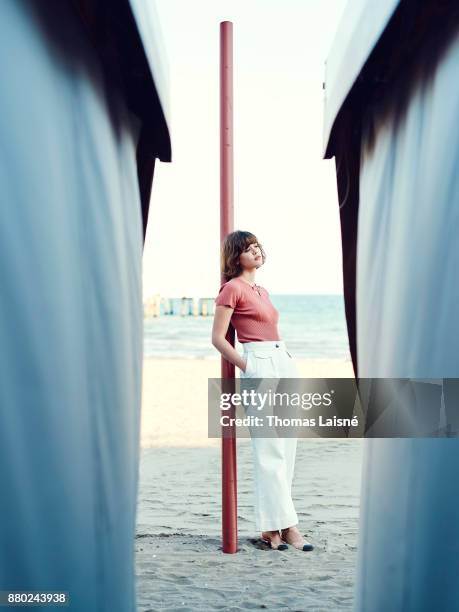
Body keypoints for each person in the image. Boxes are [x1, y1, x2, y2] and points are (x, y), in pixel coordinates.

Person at [211, 230, 314, 551]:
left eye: (257, 246)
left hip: (282, 359)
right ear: (235, 257)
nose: (255, 251)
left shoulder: (262, 290)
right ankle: (290, 527)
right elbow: (217, 338)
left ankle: (274, 527)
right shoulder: (231, 288)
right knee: (269, 448)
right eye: (247, 248)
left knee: (287, 446)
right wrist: (248, 367)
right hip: (259, 363)